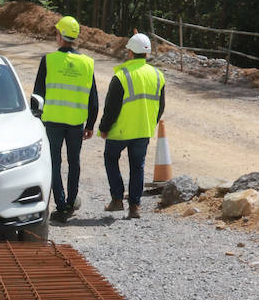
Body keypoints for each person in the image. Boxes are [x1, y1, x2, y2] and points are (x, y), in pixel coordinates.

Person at [32, 15, 97, 223]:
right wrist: (91, 124)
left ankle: (60, 205)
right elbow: (93, 98)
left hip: (51, 121)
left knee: (54, 162)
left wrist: (36, 119)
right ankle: (71, 201)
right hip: (76, 122)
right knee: (74, 162)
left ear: (60, 36)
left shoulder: (48, 60)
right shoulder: (87, 63)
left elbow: (38, 94)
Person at [98, 32, 165, 219]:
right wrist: (150, 122)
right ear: (147, 54)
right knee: (138, 166)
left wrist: (104, 128)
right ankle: (135, 206)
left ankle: (117, 200)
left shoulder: (121, 76)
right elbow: (161, 107)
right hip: (143, 129)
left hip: (120, 130)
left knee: (111, 159)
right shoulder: (158, 76)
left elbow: (111, 107)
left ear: (129, 53)